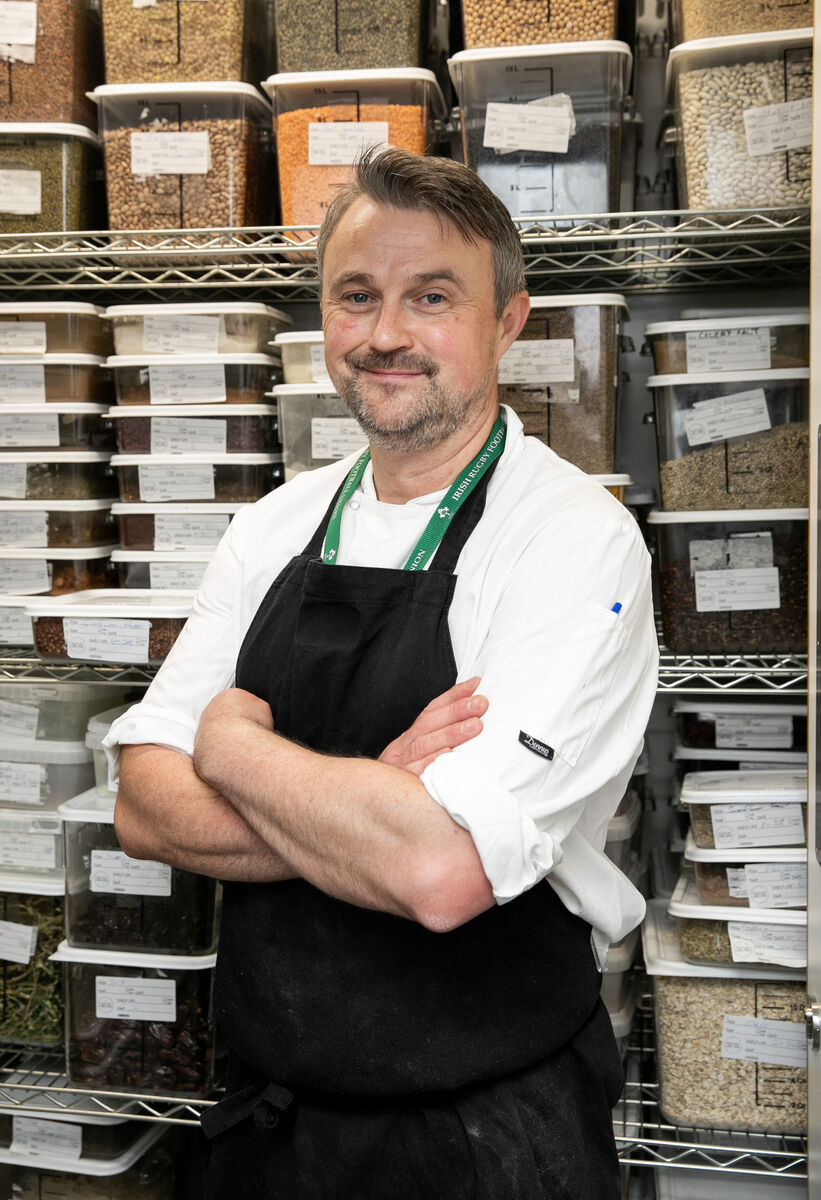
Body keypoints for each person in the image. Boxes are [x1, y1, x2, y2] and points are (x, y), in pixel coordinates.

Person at [105, 147, 659, 1200]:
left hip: (486, 1135)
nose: (385, 334)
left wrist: (232, 744)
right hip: (268, 1118)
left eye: (432, 297)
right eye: (355, 295)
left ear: (507, 321)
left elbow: (439, 874)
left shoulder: (572, 540)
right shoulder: (272, 524)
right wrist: (377, 795)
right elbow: (142, 807)